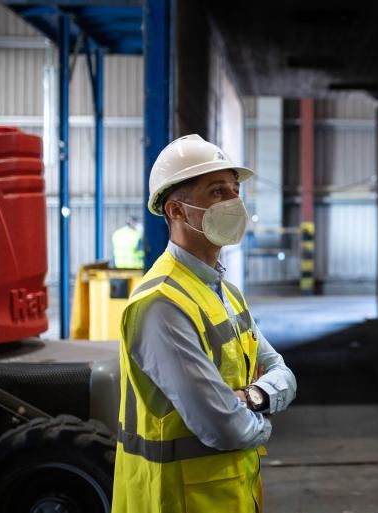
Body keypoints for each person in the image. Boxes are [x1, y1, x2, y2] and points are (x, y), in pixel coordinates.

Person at [111, 134, 297, 513]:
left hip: (230, 496)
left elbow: (284, 374)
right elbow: (223, 426)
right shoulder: (161, 304)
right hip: (179, 499)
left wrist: (252, 398)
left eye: (234, 190)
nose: (233, 203)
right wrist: (262, 425)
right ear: (176, 211)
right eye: (217, 192)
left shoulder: (227, 292)